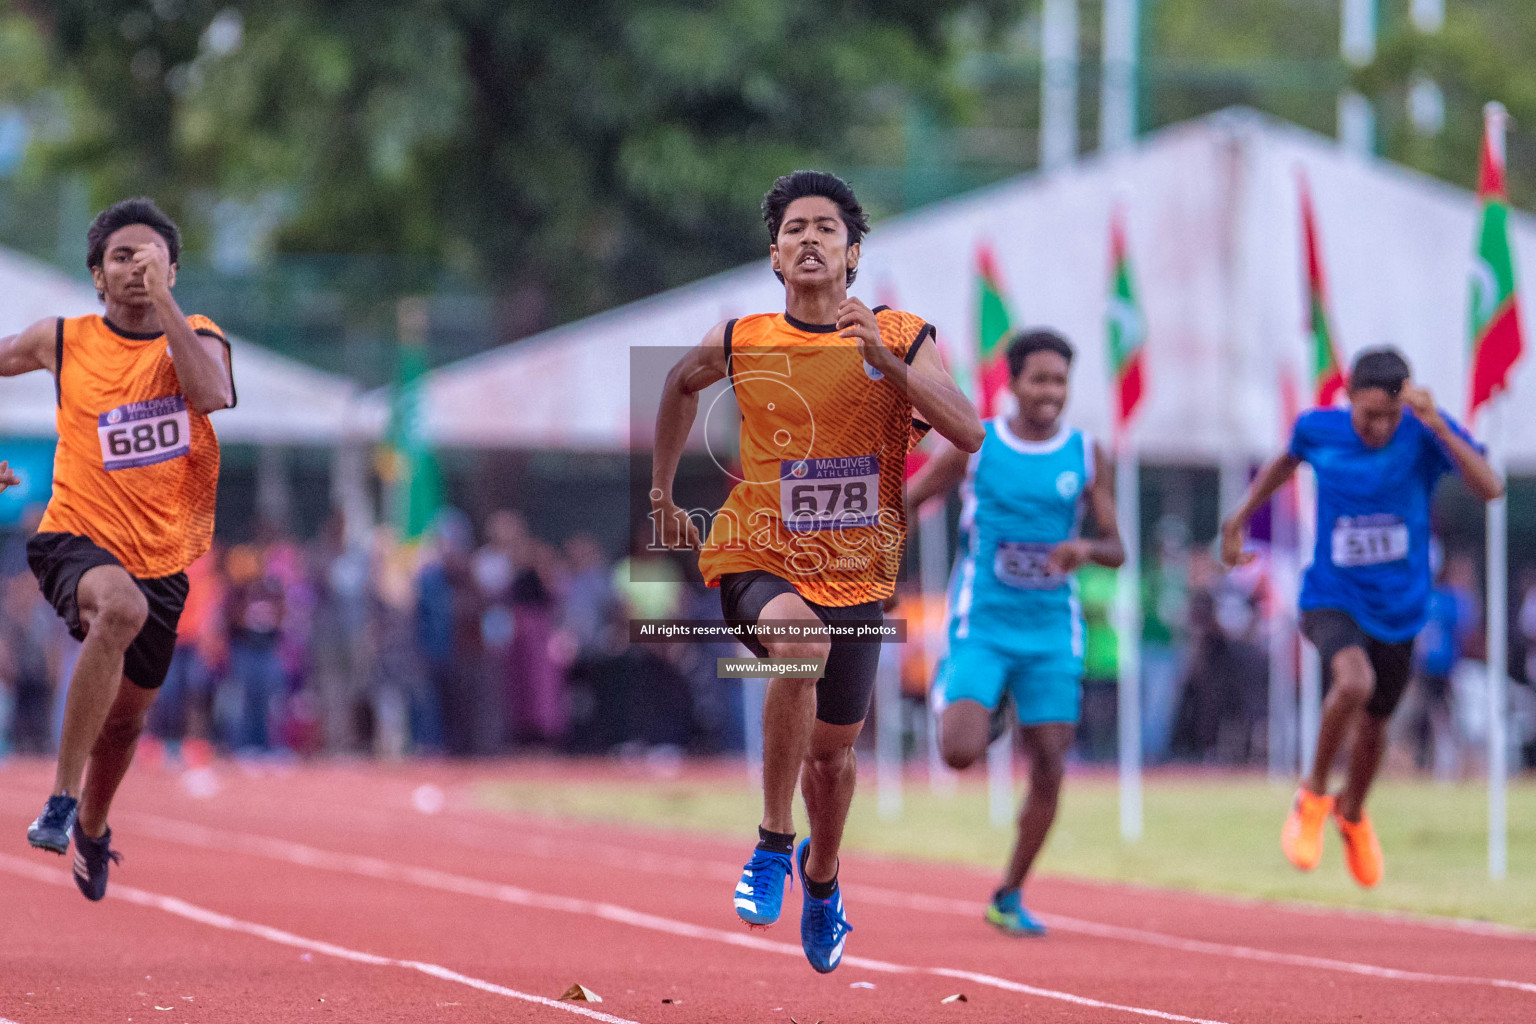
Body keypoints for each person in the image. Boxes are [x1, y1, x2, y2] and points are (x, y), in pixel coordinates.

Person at [650, 171, 982, 972]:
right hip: (756, 553)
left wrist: (886, 364)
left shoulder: (901, 335)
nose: (808, 238)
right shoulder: (744, 338)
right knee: (801, 646)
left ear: (852, 253)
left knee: (832, 760)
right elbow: (677, 385)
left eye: (825, 228)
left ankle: (823, 882)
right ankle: (771, 842)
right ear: (774, 255)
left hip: (861, 573)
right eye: (794, 228)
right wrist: (662, 492)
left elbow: (967, 431)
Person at [0, 198, 235, 900]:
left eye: (151, 256)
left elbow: (212, 394)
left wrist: (167, 309)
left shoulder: (197, 336)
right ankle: (61, 799)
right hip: (73, 536)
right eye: (121, 258)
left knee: (128, 723)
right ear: (97, 277)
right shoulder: (62, 340)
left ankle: (93, 829)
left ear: (175, 269)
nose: (137, 267)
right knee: (119, 608)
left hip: (162, 557)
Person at [1221, 348, 1500, 888]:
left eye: (1389, 416)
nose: (1378, 427)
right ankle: (1313, 795)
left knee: (1376, 727)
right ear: (1347, 397)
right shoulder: (1318, 429)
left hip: (1400, 608)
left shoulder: (1423, 435)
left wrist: (1436, 420)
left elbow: (1490, 487)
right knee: (1353, 681)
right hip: (1333, 594)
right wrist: (1238, 518)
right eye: (1368, 414)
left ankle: (1352, 814)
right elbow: (1286, 461)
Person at [906, 329, 1123, 936]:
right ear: (1014, 383)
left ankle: (1009, 892)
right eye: (1040, 380)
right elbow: (914, 498)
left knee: (1051, 762)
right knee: (957, 752)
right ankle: (992, 706)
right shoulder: (979, 446)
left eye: (1060, 382)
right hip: (985, 623)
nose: (1051, 392)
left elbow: (1117, 547)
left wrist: (1084, 547)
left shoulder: (1085, 453)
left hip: (1053, 631)